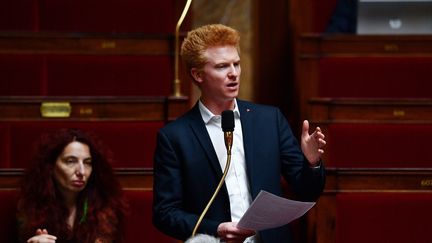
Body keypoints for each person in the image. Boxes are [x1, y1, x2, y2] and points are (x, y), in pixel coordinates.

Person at [152, 24, 326, 243]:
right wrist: (216, 228)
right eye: (222, 66)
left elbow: (308, 191)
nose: (233, 73)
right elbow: (165, 213)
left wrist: (311, 162)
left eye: (237, 64)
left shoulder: (269, 120)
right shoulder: (175, 137)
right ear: (197, 75)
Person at [17, 128, 127, 243]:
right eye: (70, 161)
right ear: (50, 166)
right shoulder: (31, 206)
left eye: (87, 163)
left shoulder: (105, 206)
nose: (82, 171)